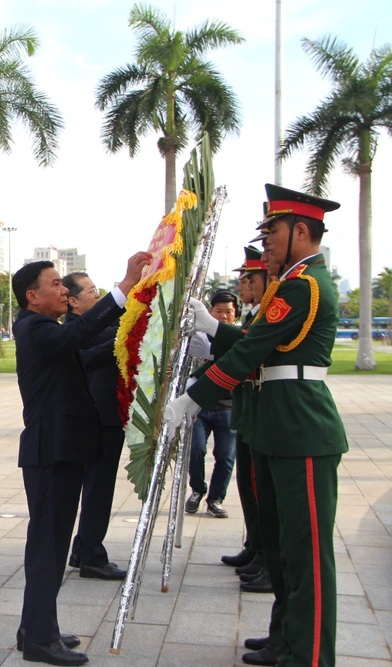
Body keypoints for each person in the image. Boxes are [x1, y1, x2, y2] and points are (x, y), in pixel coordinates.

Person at [166, 184, 346, 667]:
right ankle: (286, 637)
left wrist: (193, 398)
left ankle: (310, 655)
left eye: (273, 233)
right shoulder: (291, 282)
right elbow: (252, 340)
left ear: (302, 231)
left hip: (300, 427)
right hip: (277, 425)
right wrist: (212, 331)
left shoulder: (304, 284)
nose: (265, 243)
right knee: (284, 545)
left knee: (307, 553)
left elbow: (252, 350)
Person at [12, 253, 151, 666]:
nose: (64, 290)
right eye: (55, 284)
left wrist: (126, 341)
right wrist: (125, 287)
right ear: (32, 296)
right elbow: (80, 332)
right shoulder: (35, 327)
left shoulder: (47, 330)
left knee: (50, 545)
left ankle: (35, 628)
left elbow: (84, 354)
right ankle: (40, 638)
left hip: (61, 450)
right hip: (52, 452)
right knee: (49, 547)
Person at [62, 271, 128, 581]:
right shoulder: (77, 330)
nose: (97, 296)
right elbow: (104, 346)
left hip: (103, 416)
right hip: (98, 418)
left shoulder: (95, 326)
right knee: (99, 488)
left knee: (96, 487)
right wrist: (125, 338)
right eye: (91, 292)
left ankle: (82, 549)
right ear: (74, 301)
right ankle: (91, 555)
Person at [221, 246, 273, 596]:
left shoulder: (266, 316)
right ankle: (256, 547)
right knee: (248, 486)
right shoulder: (255, 316)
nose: (243, 286)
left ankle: (267, 557)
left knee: (262, 491)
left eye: (250, 279)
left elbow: (247, 350)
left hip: (262, 413)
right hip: (249, 413)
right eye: (242, 280)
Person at [185, 290, 239, 519]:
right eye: (218, 311)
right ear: (210, 312)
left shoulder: (239, 339)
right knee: (196, 450)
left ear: (235, 315)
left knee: (226, 457)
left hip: (228, 406)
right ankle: (197, 489)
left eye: (229, 312)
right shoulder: (197, 336)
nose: (224, 316)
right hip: (200, 406)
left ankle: (215, 499)